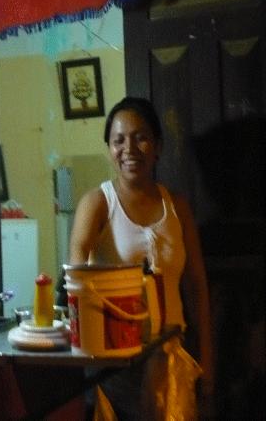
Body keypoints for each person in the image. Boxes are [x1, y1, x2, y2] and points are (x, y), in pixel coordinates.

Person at [68, 96, 214, 419]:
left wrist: (207, 364)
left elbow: (197, 288)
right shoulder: (98, 203)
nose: (129, 149)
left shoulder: (177, 207)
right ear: (109, 148)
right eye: (118, 140)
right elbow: (76, 277)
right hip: (113, 367)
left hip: (172, 359)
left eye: (141, 138)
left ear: (158, 146)